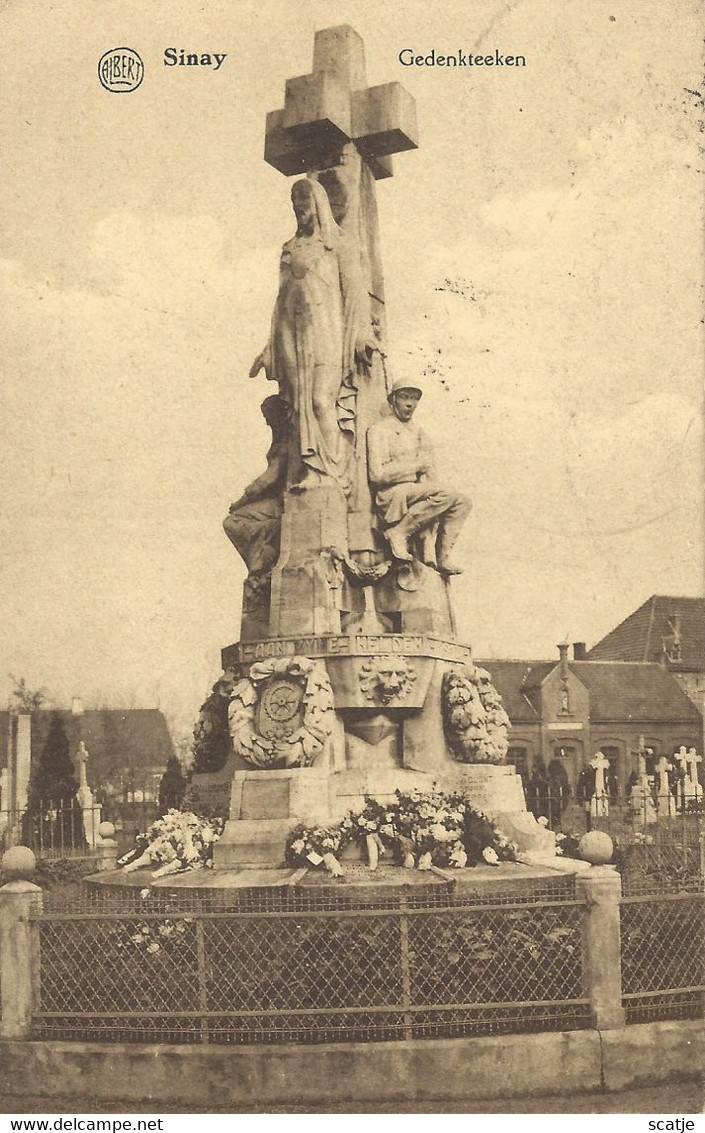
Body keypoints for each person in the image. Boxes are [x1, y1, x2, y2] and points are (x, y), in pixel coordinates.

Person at [249, 178, 375, 492]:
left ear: (318, 204)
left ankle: (332, 475)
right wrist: (270, 347)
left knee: (321, 400)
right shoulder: (289, 249)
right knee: (298, 404)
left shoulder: (338, 243)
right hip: (291, 332)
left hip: (327, 332)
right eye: (294, 205)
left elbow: (356, 292)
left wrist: (362, 333)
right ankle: (309, 473)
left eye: (304, 204)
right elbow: (280, 301)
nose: (299, 211)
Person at [366, 378, 471, 574]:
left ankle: (443, 556)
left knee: (462, 501)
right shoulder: (379, 430)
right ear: (392, 401)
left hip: (415, 492)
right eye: (404, 397)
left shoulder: (419, 432)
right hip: (392, 494)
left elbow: (432, 476)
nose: (409, 404)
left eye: (414, 399)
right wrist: (415, 467)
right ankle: (398, 533)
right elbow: (377, 475)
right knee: (446, 494)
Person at [223, 396, 290, 574]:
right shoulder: (282, 439)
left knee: (233, 521)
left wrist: (240, 502)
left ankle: (274, 535)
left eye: (269, 417)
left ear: (282, 415)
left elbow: (268, 479)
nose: (268, 423)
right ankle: (266, 546)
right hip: (278, 500)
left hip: (283, 502)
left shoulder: (287, 442)